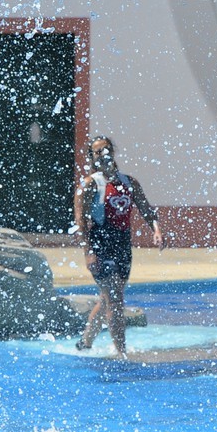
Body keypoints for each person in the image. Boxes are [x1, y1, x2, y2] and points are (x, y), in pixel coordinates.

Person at [72, 135, 162, 356]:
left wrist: (156, 230)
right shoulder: (90, 184)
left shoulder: (129, 182)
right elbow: (81, 221)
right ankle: (121, 352)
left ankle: (85, 342)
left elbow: (146, 209)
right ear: (91, 157)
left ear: (112, 152)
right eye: (97, 152)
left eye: (106, 150)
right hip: (100, 246)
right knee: (115, 299)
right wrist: (89, 253)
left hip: (122, 246)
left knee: (108, 298)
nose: (103, 155)